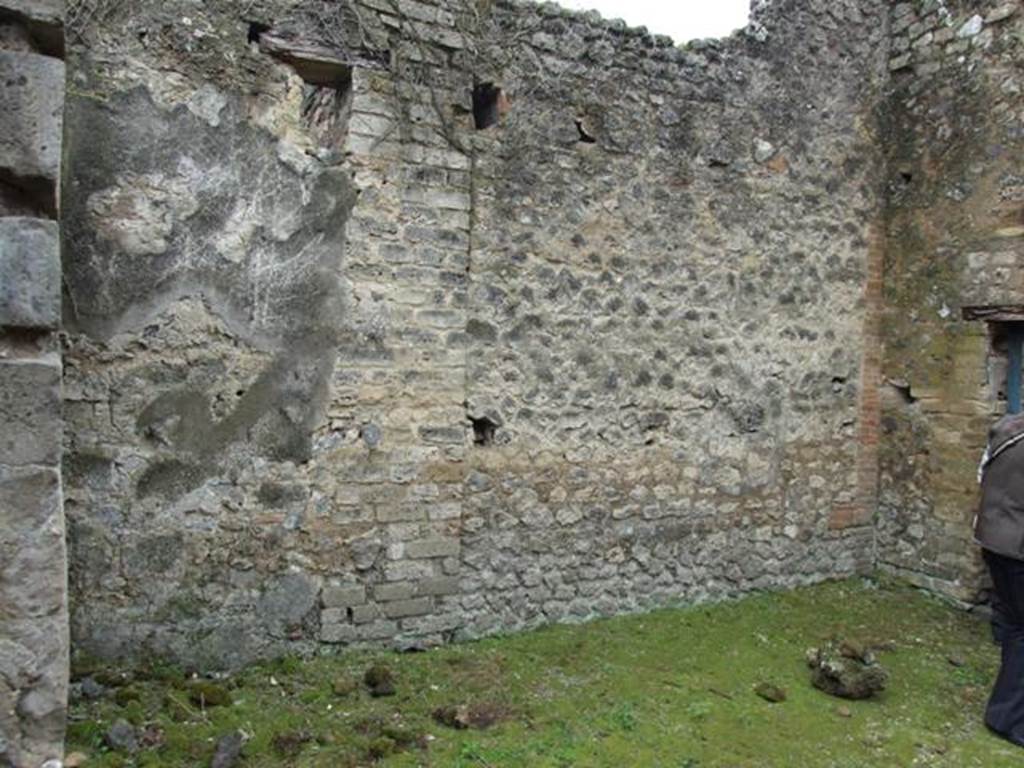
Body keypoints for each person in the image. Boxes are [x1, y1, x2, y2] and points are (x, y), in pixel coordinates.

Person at [975, 411, 1024, 746]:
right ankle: (1009, 719)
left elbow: (982, 476)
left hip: (992, 539)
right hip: (1018, 546)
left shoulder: (1007, 429)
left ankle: (1004, 711)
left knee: (1011, 624)